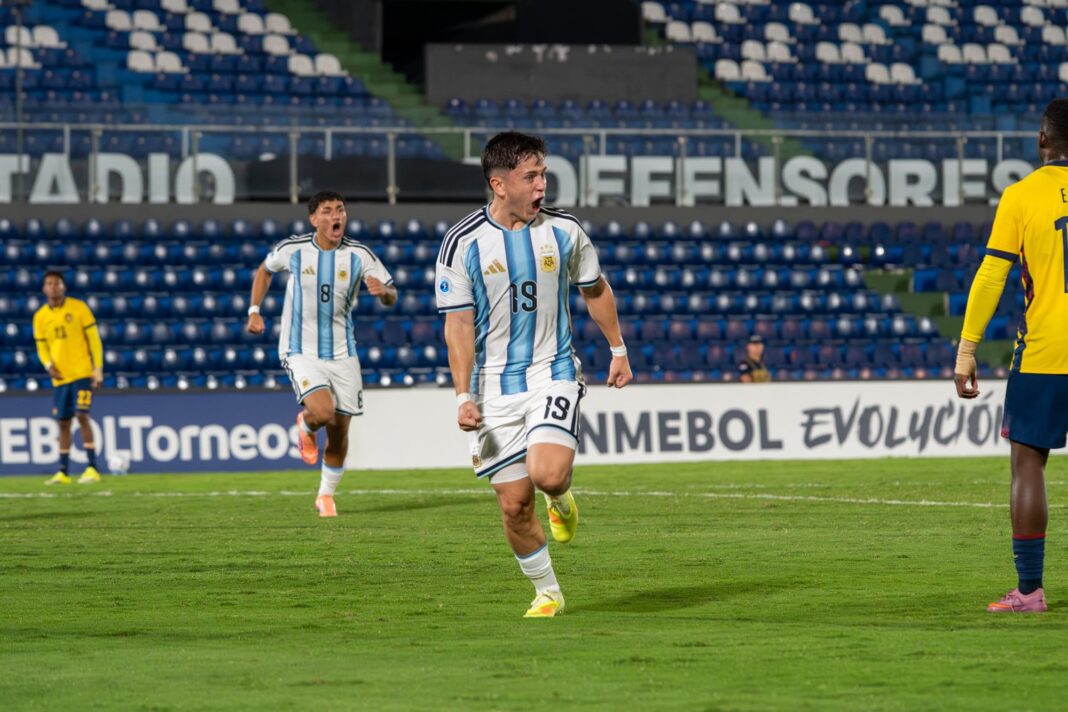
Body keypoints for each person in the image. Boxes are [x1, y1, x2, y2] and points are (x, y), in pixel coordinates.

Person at [436, 132, 632, 618]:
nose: (543, 184)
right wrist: (463, 394)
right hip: (494, 389)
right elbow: (457, 324)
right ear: (499, 185)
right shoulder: (462, 243)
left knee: (547, 474)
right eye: (532, 176)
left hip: (554, 371)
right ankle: (547, 591)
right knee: (513, 506)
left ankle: (562, 498)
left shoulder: (564, 231)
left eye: (543, 174)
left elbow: (595, 288)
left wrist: (618, 349)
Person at [954, 99, 1068, 613]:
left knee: (1028, 465)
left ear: (1043, 139)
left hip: (1046, 351)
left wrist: (967, 350)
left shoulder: (1021, 196)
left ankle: (1029, 591)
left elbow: (992, 275)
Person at [247, 191, 397, 518]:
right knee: (323, 412)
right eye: (327, 211)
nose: (335, 216)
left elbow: (392, 295)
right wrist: (254, 310)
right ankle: (305, 426)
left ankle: (325, 495)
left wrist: (383, 292)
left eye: (340, 209)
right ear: (314, 219)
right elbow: (264, 270)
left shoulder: (360, 255)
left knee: (340, 432)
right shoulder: (294, 249)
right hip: (300, 349)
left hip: (343, 353)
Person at [32, 270, 104, 485]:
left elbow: (94, 340)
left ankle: (92, 468)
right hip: (60, 379)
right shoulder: (40, 316)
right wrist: (48, 365)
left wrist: (97, 368)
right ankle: (63, 471)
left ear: (64, 287)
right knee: (63, 423)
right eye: (49, 283)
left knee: (82, 416)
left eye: (57, 283)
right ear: (44, 288)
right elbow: (41, 346)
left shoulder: (79, 308)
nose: (53, 287)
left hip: (81, 373)